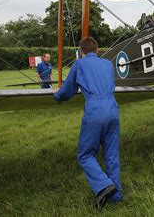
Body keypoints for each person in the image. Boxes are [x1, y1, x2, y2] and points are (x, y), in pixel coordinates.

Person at [53, 37, 122, 209]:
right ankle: (116, 195)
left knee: (85, 155)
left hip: (95, 109)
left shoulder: (79, 64)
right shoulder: (107, 64)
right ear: (97, 50)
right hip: (113, 108)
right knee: (111, 154)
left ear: (82, 51)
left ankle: (104, 185)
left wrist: (57, 95)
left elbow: (67, 90)